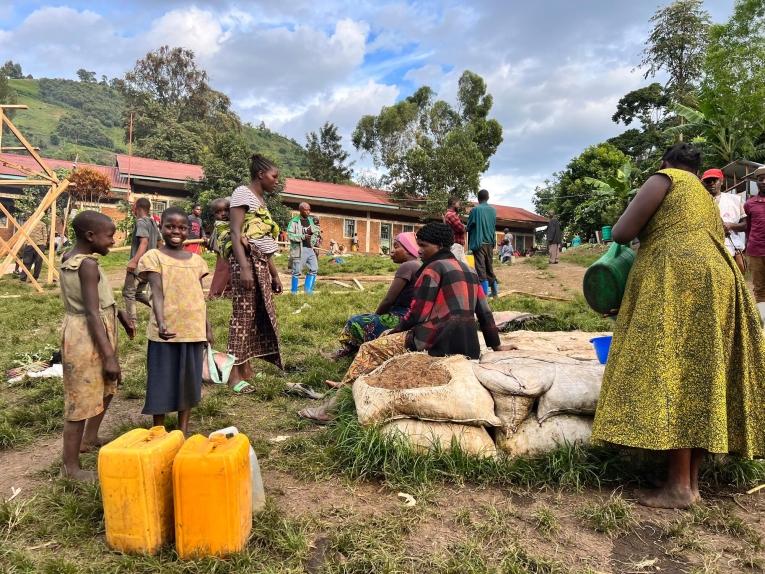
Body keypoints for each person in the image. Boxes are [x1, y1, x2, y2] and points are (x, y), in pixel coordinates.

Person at [592, 143, 765, 509]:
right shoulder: (705, 195)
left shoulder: (663, 179)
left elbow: (622, 232)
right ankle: (690, 483)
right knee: (702, 374)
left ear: (665, 162)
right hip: (718, 278)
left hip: (680, 278)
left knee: (676, 370)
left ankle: (678, 489)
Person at [59, 211, 135, 480]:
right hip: (87, 337)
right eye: (110, 236)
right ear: (90, 236)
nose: (113, 241)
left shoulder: (74, 257)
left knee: (108, 385)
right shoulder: (86, 265)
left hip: (92, 330)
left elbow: (99, 301)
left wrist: (121, 315)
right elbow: (91, 312)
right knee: (80, 400)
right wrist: (109, 356)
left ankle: (89, 439)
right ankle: (71, 467)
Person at [138, 206, 212, 436]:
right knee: (161, 380)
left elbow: (200, 296)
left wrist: (207, 327)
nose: (175, 231)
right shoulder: (154, 257)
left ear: (189, 230)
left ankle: (183, 429)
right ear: (161, 228)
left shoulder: (197, 261)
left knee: (188, 383)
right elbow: (157, 292)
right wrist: (161, 322)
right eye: (169, 226)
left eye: (181, 227)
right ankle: (158, 429)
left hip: (192, 329)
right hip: (166, 331)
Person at [227, 154, 284, 393]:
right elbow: (234, 231)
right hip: (246, 263)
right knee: (242, 317)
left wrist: (274, 274)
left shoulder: (260, 200)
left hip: (261, 263)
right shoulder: (242, 193)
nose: (276, 181)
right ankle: (232, 376)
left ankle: (246, 369)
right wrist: (245, 268)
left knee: (254, 317)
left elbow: (264, 242)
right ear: (260, 175)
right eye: (274, 176)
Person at [327, 232, 421, 360]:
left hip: (401, 317)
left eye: (396, 246)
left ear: (409, 248)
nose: (392, 251)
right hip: (414, 318)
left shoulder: (407, 266)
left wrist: (376, 316)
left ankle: (349, 351)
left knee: (355, 322)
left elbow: (388, 300)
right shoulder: (420, 265)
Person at [123, 198, 160, 324]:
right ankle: (159, 309)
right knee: (138, 293)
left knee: (129, 292)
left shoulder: (141, 222)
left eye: (133, 206)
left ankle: (131, 322)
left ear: (136, 207)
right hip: (150, 265)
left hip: (140, 265)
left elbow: (144, 242)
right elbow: (160, 242)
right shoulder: (153, 223)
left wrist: (134, 261)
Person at [702, 168, 747, 274]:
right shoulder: (698, 203)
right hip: (707, 252)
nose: (711, 183)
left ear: (721, 181)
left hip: (732, 250)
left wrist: (731, 226)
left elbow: (746, 225)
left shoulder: (735, 200)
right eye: (708, 181)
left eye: (714, 180)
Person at [467, 189, 498, 296]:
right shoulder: (493, 211)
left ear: (478, 199)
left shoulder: (475, 210)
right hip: (490, 242)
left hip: (479, 243)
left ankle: (484, 295)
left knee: (480, 269)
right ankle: (495, 292)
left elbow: (469, 226)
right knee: (489, 267)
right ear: (488, 198)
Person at [287, 202, 320, 294]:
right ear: (300, 210)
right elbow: (290, 235)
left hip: (310, 249)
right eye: (306, 210)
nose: (308, 212)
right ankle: (294, 292)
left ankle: (308, 291)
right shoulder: (294, 221)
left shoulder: (311, 220)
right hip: (299, 249)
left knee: (314, 269)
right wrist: (302, 236)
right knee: (296, 271)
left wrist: (314, 238)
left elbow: (315, 232)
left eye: (309, 209)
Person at [745, 167, 765, 321]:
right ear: (757, 182)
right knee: (759, 288)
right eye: (760, 179)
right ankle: (764, 319)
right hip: (756, 252)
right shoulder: (750, 203)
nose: (763, 181)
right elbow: (748, 227)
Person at [207, 197, 232, 299]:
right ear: (214, 214)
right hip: (222, 249)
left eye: (226, 210)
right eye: (219, 212)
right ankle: (214, 294)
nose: (223, 214)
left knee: (232, 270)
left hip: (230, 248)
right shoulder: (220, 224)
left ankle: (229, 293)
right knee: (222, 270)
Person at [19, 218, 48, 282]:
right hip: (30, 244)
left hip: (39, 245)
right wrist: (26, 242)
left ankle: (34, 278)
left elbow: (45, 235)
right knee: (27, 261)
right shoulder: (28, 223)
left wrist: (43, 244)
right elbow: (24, 232)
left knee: (38, 262)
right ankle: (23, 278)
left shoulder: (42, 224)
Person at [443, 197, 467, 263]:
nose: (459, 206)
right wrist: (466, 227)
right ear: (453, 204)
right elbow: (461, 228)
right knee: (457, 266)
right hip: (456, 245)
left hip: (456, 245)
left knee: (465, 267)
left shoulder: (449, 214)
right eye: (458, 204)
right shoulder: (451, 215)